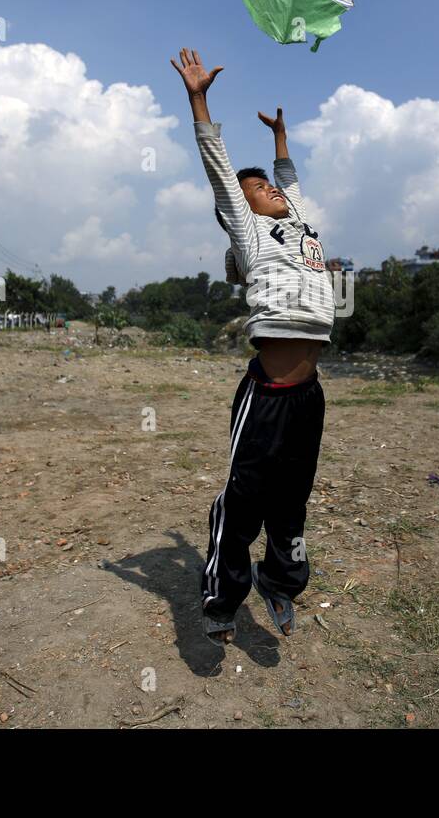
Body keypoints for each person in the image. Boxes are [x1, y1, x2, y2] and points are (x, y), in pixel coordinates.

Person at [170, 47, 335, 645]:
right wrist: (198, 97)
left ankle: (281, 581)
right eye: (258, 188)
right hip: (267, 394)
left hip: (309, 395)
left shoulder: (303, 220)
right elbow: (219, 168)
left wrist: (282, 142)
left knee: (293, 497)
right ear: (242, 211)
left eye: (270, 184)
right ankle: (223, 596)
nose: (270, 189)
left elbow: (289, 180)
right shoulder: (250, 232)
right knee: (244, 500)